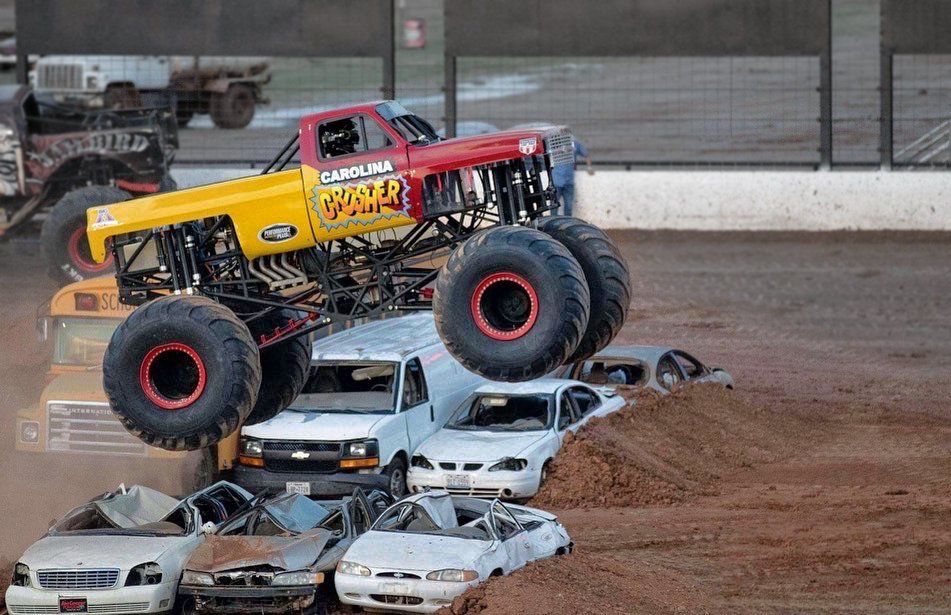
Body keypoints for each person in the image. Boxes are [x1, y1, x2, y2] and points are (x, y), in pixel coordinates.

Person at [552, 137, 593, 216]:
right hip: (557, 181)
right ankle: (552, 224)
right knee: (554, 205)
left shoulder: (574, 143)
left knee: (568, 206)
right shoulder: (554, 143)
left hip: (567, 181)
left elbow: (586, 155)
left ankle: (567, 224)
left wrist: (589, 167)